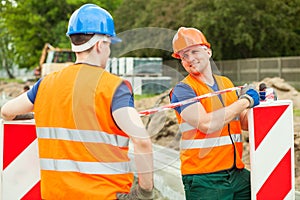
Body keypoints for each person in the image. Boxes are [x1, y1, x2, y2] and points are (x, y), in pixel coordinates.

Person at [1, 4, 154, 200]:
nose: (109, 52)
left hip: (55, 195)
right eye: (109, 45)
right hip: (104, 195)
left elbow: (7, 111)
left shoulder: (46, 84)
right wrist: (145, 192)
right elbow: (142, 141)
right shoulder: (114, 87)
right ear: (100, 45)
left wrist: (35, 113)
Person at [169, 27, 260, 200]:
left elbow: (242, 122)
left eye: (194, 51)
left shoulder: (226, 83)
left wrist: (264, 105)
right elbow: (207, 124)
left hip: (236, 173)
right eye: (184, 56)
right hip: (204, 178)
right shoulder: (183, 90)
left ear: (208, 52)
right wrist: (246, 101)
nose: (190, 59)